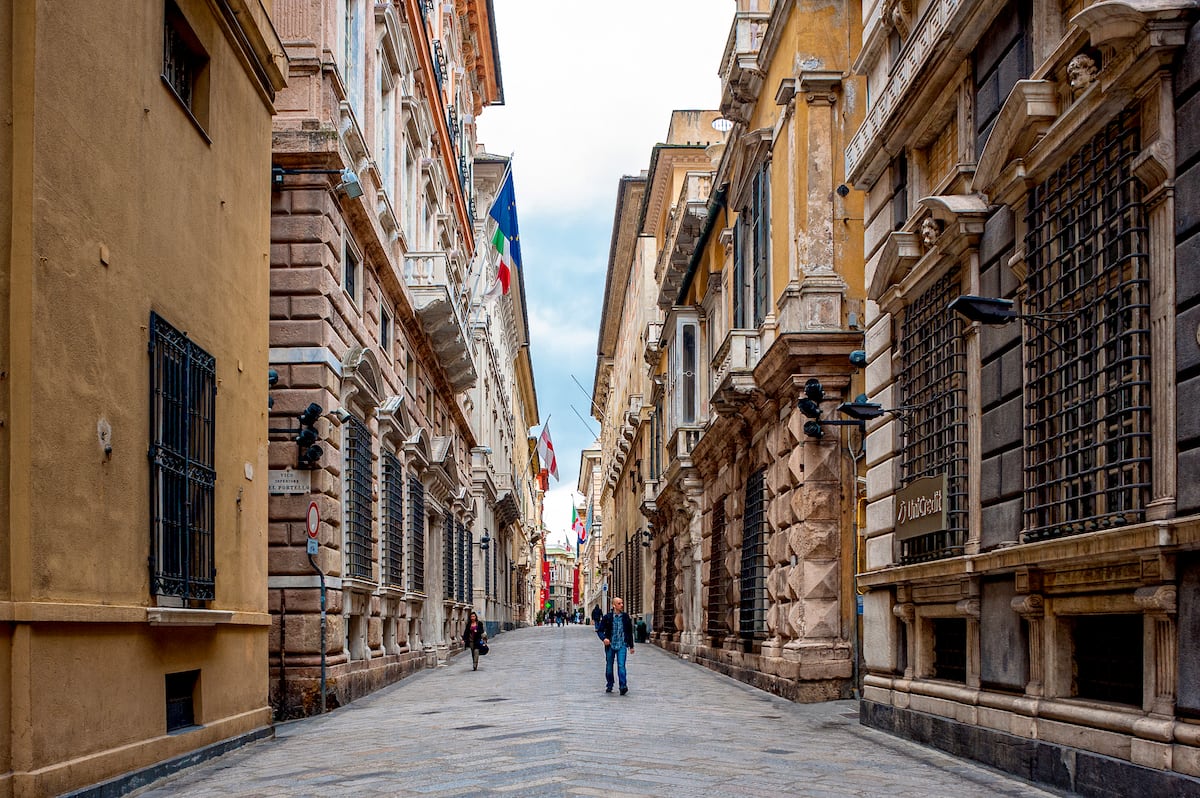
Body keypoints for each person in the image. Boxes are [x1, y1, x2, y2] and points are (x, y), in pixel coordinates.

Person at [599, 596, 635, 695]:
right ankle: (610, 684)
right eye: (619, 603)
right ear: (614, 605)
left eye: (622, 603)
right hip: (610, 645)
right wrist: (604, 638)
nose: (621, 605)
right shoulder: (607, 617)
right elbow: (600, 630)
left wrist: (631, 646)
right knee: (609, 666)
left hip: (622, 644)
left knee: (621, 665)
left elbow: (629, 632)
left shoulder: (625, 617)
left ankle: (623, 686)